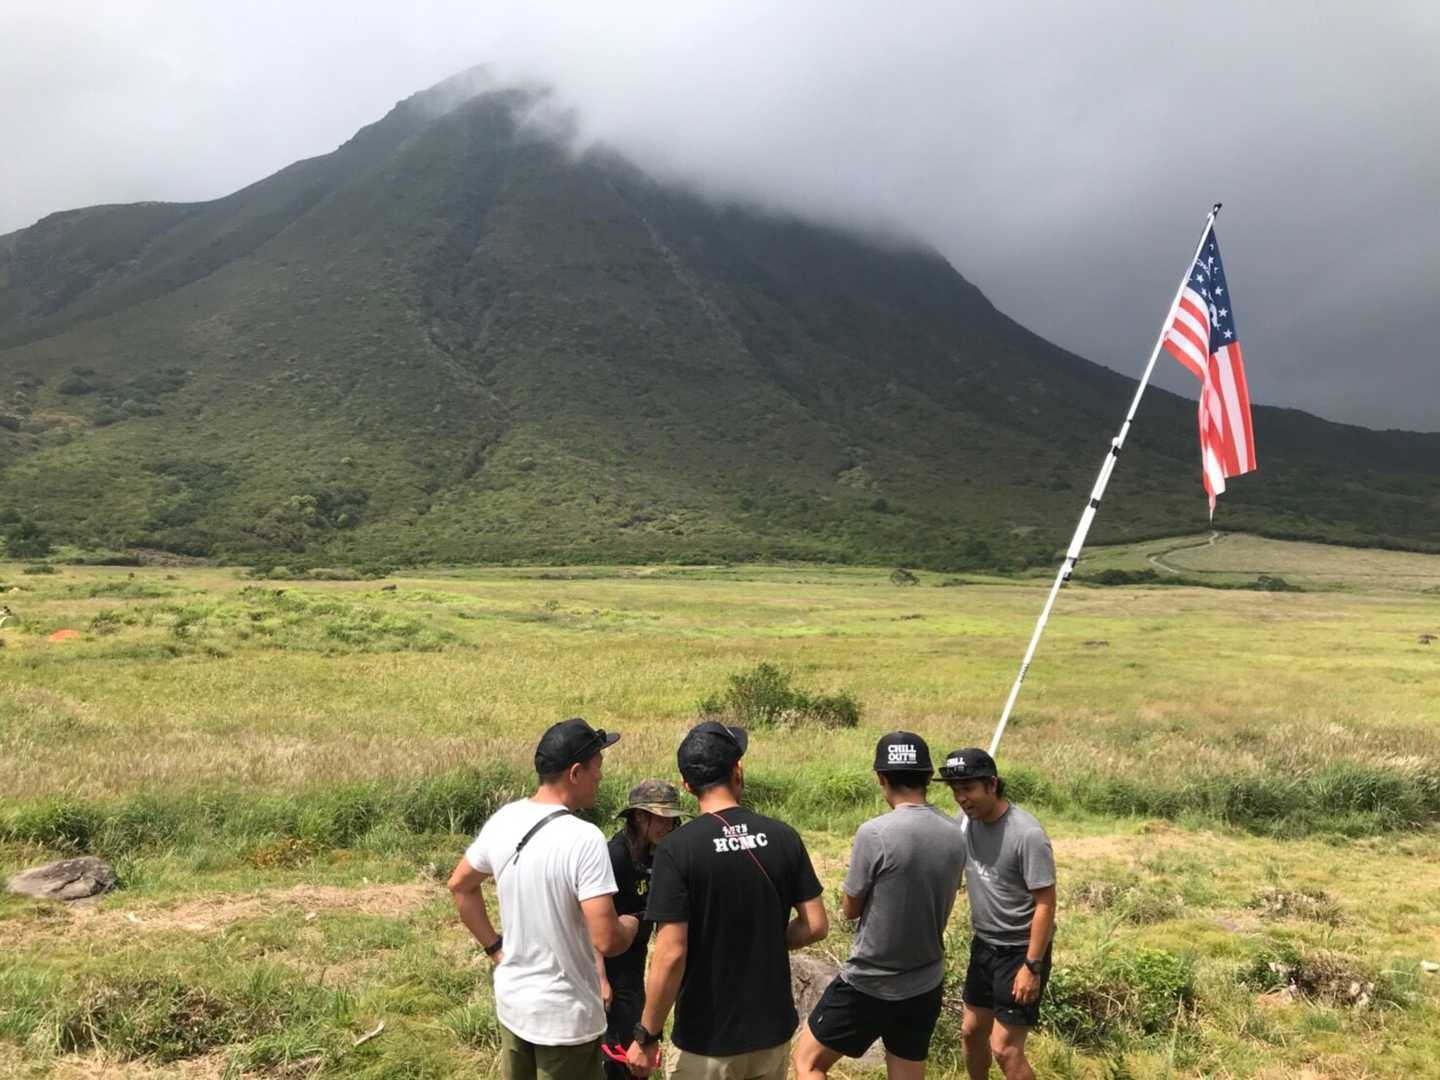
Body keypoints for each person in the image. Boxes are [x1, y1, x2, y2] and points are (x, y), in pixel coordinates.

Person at [625, 719, 829, 1080]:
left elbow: (671, 954)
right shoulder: (784, 836)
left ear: (687, 785)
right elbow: (815, 925)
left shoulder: (677, 849)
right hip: (771, 1032)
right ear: (737, 770)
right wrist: (764, 940)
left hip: (706, 1038)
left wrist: (647, 1035)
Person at [449, 717, 643, 1080]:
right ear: (575, 773)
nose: (601, 776)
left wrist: (496, 949)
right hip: (565, 1019)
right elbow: (608, 940)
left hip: (514, 1004)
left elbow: (460, 885)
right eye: (597, 767)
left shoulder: (505, 819)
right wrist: (631, 923)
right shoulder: (584, 839)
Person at [793, 732, 967, 1080]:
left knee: (808, 1062)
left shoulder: (874, 833)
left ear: (881, 778)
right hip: (926, 979)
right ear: (927, 778)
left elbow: (850, 909)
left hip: (869, 980)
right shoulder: (955, 833)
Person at [938, 748, 1057, 1080]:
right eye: (955, 790)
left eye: (968, 788)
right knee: (971, 1033)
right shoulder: (965, 823)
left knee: (1005, 1049)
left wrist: (1031, 967)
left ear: (992, 785)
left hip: (1020, 951)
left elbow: (1046, 904)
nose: (961, 797)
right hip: (984, 945)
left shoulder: (1027, 834)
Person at [597, 779, 684, 1078]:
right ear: (637, 817)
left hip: (635, 959)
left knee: (634, 1032)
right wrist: (600, 978)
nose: (666, 825)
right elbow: (587, 922)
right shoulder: (616, 856)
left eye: (670, 819)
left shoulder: (660, 853)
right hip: (607, 961)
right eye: (659, 818)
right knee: (615, 1049)